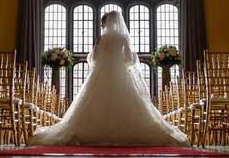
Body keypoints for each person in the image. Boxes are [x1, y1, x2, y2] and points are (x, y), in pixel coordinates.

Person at [28, 11, 189, 146]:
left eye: (102, 23)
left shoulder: (101, 38)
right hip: (120, 74)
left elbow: (94, 59)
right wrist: (119, 63)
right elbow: (130, 60)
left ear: (106, 23)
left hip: (101, 74)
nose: (102, 26)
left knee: (93, 102)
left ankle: (93, 134)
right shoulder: (123, 37)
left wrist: (106, 62)